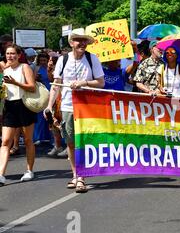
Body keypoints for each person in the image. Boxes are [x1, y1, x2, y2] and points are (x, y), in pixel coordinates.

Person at [44, 28, 104, 193]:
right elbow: (56, 85)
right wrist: (49, 106)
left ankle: (81, 177)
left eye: (84, 40)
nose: (82, 43)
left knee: (83, 142)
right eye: (78, 40)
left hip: (88, 107)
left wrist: (84, 83)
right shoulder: (63, 60)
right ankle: (75, 174)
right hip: (68, 107)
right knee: (70, 142)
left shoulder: (93, 59)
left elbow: (101, 82)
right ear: (71, 43)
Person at [0, 44, 37, 186]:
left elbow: (32, 87)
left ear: (19, 55)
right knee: (5, 141)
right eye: (8, 53)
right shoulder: (5, 70)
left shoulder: (24, 67)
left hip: (24, 105)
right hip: (9, 106)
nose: (10, 56)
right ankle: (1, 174)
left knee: (28, 140)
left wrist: (15, 82)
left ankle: (29, 170)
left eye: (13, 53)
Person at [33, 52, 52, 144]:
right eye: (41, 60)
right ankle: (38, 137)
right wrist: (35, 77)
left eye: (44, 60)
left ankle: (49, 137)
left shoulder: (51, 68)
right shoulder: (36, 68)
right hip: (40, 93)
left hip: (50, 92)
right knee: (39, 116)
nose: (43, 62)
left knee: (49, 116)